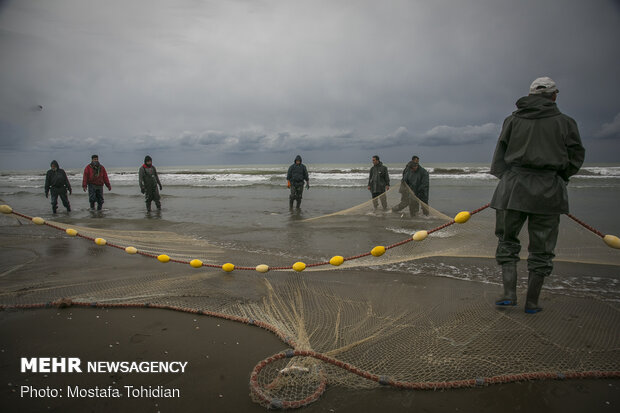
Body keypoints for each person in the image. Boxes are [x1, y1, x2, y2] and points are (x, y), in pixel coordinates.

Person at [490, 76, 585, 314]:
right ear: (553, 96)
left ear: (531, 96)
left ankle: (509, 293)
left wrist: (509, 180)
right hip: (549, 191)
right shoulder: (566, 122)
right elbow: (576, 157)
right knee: (542, 249)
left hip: (513, 189)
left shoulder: (511, 121)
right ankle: (531, 302)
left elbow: (499, 157)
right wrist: (559, 177)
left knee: (507, 240)